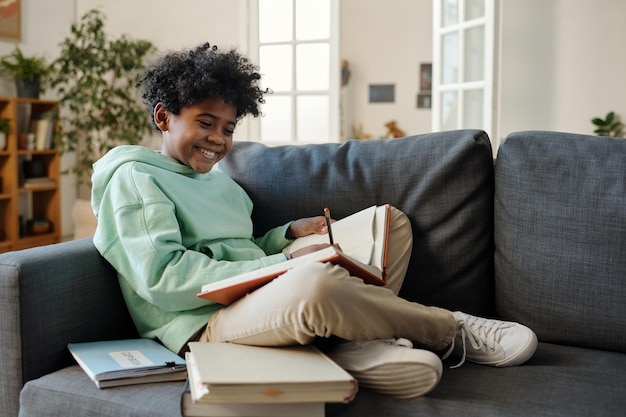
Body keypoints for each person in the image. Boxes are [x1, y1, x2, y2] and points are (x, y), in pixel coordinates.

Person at [91, 42, 537, 399]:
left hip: (253, 291)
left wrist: (284, 237)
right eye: (205, 123)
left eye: (228, 128)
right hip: (204, 323)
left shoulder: (218, 182)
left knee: (390, 224)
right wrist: (281, 270)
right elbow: (164, 279)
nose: (218, 140)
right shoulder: (135, 179)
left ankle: (354, 346)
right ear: (164, 117)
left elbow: (238, 245)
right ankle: (448, 329)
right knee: (316, 283)